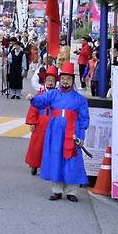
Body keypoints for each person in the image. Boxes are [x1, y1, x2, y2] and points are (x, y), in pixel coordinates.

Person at [27, 62, 89, 202]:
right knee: (55, 158)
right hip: (54, 132)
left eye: (68, 78)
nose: (65, 81)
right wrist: (33, 99)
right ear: (59, 80)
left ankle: (71, 191)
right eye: (63, 78)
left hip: (72, 131)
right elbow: (40, 101)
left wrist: (80, 137)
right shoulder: (53, 94)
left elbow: (84, 119)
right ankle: (57, 190)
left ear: (73, 80)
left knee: (72, 160)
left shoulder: (80, 99)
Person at [25, 66, 58, 176]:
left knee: (51, 146)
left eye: (52, 81)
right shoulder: (40, 94)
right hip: (41, 122)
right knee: (37, 145)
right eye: (48, 80)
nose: (50, 83)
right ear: (44, 81)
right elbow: (33, 109)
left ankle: (48, 166)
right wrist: (32, 122)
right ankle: (34, 164)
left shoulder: (58, 95)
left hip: (53, 123)